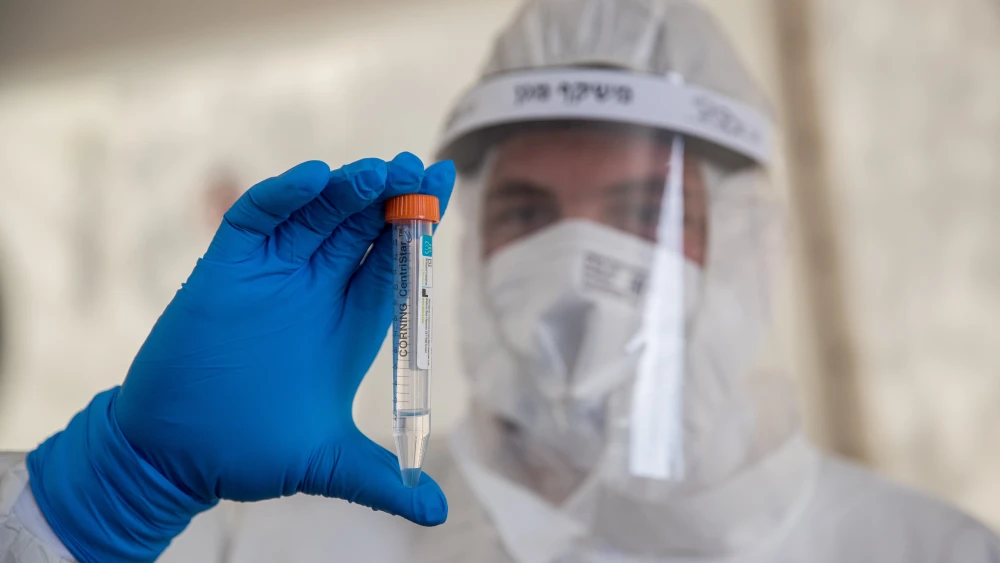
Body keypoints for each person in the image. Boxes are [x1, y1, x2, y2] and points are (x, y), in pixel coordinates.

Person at [2, 0, 998, 561]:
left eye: (639, 212)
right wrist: (94, 497)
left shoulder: (920, 551)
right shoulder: (278, 540)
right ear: (466, 251)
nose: (571, 265)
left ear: (742, 249)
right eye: (525, 213)